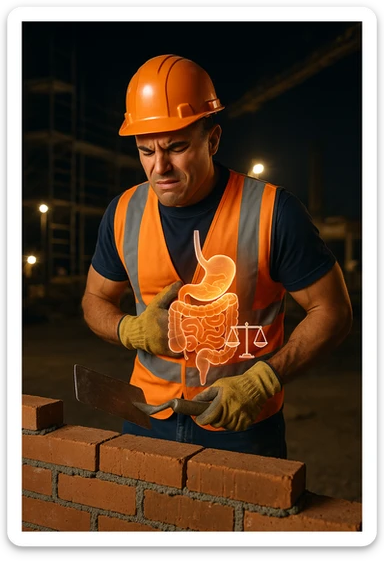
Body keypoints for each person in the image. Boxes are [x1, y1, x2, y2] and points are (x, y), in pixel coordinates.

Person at [81, 54, 353, 458]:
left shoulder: (273, 212)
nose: (160, 167)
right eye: (146, 151)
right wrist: (128, 330)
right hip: (146, 416)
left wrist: (262, 381)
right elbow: (94, 299)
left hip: (241, 424)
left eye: (176, 147)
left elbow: (333, 312)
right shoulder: (123, 212)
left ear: (213, 139)